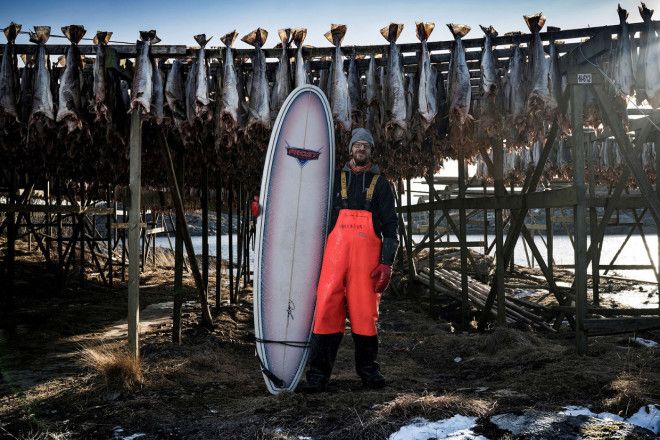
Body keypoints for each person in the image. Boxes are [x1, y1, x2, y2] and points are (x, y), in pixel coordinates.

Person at [301, 127, 399, 393]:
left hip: (365, 263)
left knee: (365, 315)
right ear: (350, 149)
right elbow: (306, 204)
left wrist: (387, 263)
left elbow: (391, 226)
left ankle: (369, 374)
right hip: (334, 258)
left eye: (366, 145)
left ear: (371, 150)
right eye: (357, 145)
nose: (361, 149)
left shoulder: (381, 185)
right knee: (325, 313)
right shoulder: (332, 179)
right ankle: (317, 377)